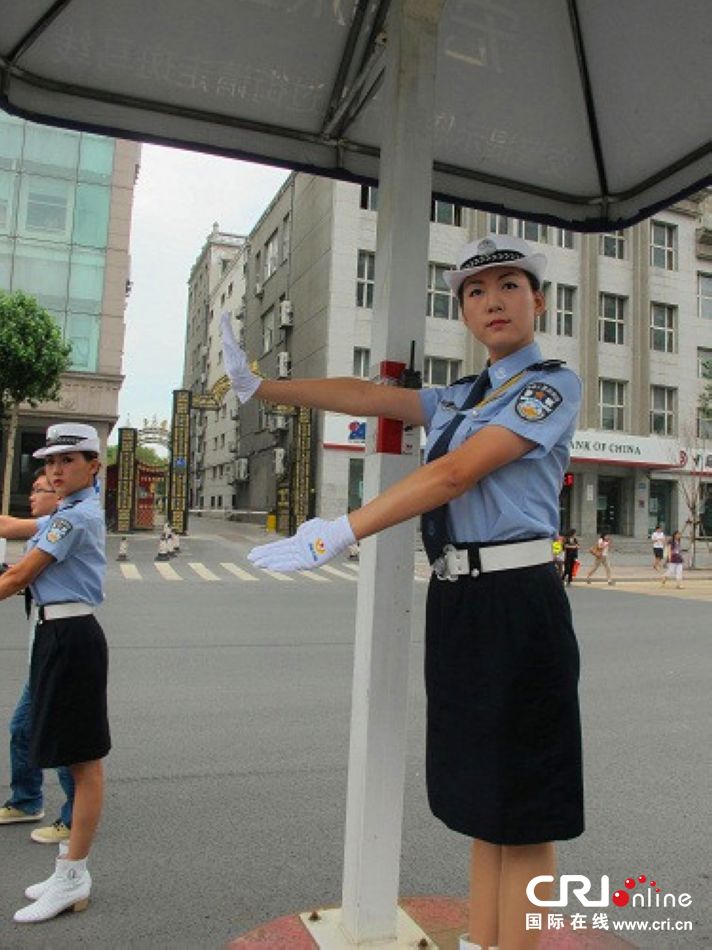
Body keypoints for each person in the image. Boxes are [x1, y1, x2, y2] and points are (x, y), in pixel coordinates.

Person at [222, 234, 584, 949]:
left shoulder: (549, 385)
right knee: (486, 800)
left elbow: (456, 476)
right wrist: (262, 388)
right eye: (475, 293)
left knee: (528, 809)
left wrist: (341, 531)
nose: (493, 301)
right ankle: (483, 942)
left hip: (519, 605)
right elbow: (365, 395)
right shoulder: (460, 397)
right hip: (460, 603)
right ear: (465, 314)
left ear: (538, 300)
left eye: (509, 285)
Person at [0, 423, 109, 924]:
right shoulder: (63, 513)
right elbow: (14, 530)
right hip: (56, 636)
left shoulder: (75, 518)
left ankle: (74, 875)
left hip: (71, 639)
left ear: (94, 466)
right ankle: (66, 869)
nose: (55, 470)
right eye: (49, 463)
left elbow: (21, 575)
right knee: (67, 751)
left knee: (83, 763)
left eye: (68, 461)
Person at [0, 472, 75, 844]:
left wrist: (11, 578)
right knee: (23, 729)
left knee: (60, 738)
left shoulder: (67, 524)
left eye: (38, 490)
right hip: (42, 647)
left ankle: (75, 817)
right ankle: (27, 800)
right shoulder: (44, 530)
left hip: (62, 647)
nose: (31, 496)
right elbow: (8, 526)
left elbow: (17, 579)